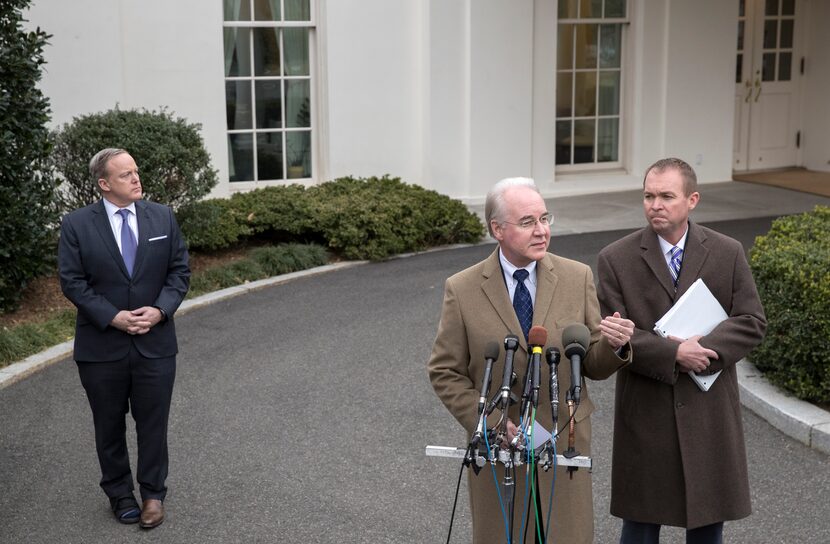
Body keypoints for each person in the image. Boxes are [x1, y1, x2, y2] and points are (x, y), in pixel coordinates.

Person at [427, 177, 634, 543]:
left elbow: (591, 364)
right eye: (527, 222)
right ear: (498, 229)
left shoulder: (576, 276)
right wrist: (491, 422)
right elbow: (445, 371)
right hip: (497, 445)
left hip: (562, 437)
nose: (541, 231)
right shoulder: (462, 288)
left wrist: (615, 346)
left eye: (545, 218)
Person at [597, 158, 766, 544]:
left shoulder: (727, 251)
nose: (655, 204)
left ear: (692, 200)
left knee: (707, 528)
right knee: (639, 527)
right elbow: (615, 333)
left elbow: (751, 320)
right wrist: (672, 354)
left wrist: (702, 350)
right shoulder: (615, 258)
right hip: (646, 410)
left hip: (708, 412)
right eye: (648, 196)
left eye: (666, 196)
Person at [58, 148, 190, 529]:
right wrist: (111, 316)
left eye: (136, 171)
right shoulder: (76, 224)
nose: (136, 179)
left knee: (153, 424)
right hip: (101, 347)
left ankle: (152, 495)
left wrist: (161, 309)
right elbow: (72, 281)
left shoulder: (162, 216)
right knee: (109, 425)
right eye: (125, 174)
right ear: (104, 184)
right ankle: (119, 494)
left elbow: (179, 271)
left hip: (156, 344)